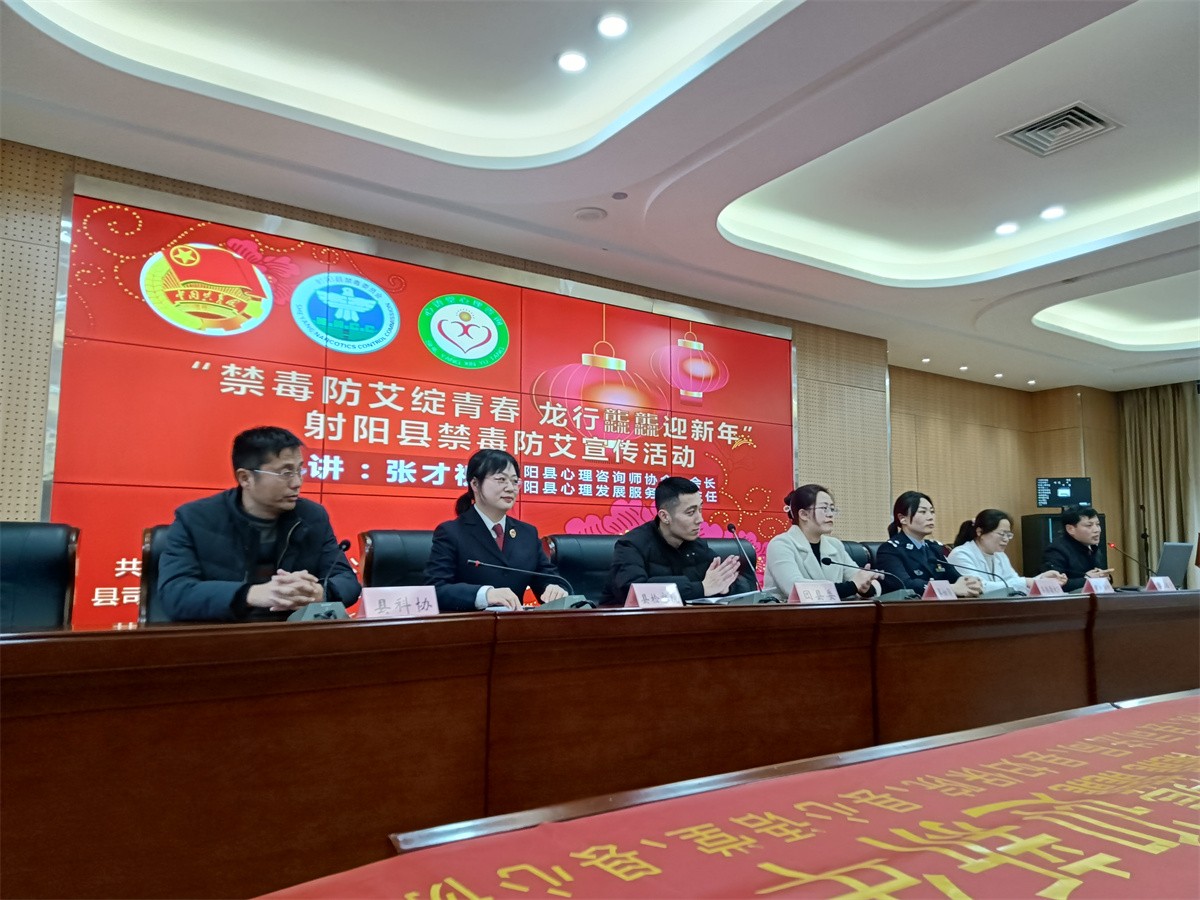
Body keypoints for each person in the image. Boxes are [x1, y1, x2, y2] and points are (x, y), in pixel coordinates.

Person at [158, 426, 360, 622]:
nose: (297, 482)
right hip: (221, 634)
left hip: (295, 634)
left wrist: (319, 591)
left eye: (300, 470)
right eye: (286, 473)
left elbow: (347, 580)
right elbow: (175, 594)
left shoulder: (312, 516)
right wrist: (252, 594)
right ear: (245, 478)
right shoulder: (195, 519)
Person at [424, 449, 567, 611]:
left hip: (516, 624)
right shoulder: (451, 532)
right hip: (470, 624)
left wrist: (554, 588)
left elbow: (549, 578)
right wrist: (485, 595)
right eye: (501, 480)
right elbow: (435, 590)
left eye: (515, 481)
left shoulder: (527, 534)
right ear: (475, 484)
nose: (510, 488)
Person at [601, 476, 757, 606]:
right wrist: (702, 588)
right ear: (665, 516)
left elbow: (723, 584)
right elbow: (635, 593)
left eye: (700, 510)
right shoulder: (631, 546)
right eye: (690, 512)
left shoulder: (697, 546)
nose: (700, 519)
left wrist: (726, 588)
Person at [763, 484, 882, 601]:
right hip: (788, 612)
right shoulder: (781, 544)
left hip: (831, 612)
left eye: (832, 509)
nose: (830, 514)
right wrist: (853, 586)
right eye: (824, 509)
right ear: (803, 514)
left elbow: (858, 578)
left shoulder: (835, 545)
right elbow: (796, 589)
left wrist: (865, 587)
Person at [875, 491, 982, 597]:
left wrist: (969, 583)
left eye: (932, 511)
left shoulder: (934, 547)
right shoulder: (889, 550)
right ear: (903, 518)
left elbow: (955, 577)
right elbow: (904, 584)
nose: (930, 517)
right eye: (923, 512)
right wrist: (951, 588)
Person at [948, 509, 1066, 595]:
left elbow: (1014, 583)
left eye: (1008, 535)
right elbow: (979, 587)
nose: (1006, 539)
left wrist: (1041, 579)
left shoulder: (1000, 555)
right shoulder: (961, 554)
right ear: (980, 532)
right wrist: (1027, 581)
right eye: (1001, 534)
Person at [1041, 506, 1113, 592]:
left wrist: (1105, 576)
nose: (1097, 530)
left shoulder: (1093, 547)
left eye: (1097, 524)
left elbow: (1098, 574)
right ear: (1070, 529)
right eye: (1089, 525)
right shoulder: (1056, 550)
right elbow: (1053, 584)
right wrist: (1087, 579)